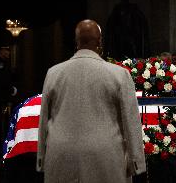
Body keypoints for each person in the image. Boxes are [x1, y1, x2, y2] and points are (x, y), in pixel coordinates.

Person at [37, 19, 146, 183]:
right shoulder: (119, 75)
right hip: (106, 157)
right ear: (100, 41)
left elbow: (43, 119)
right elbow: (131, 123)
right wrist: (137, 162)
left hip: (61, 155)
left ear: (76, 42)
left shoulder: (53, 73)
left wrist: (41, 158)